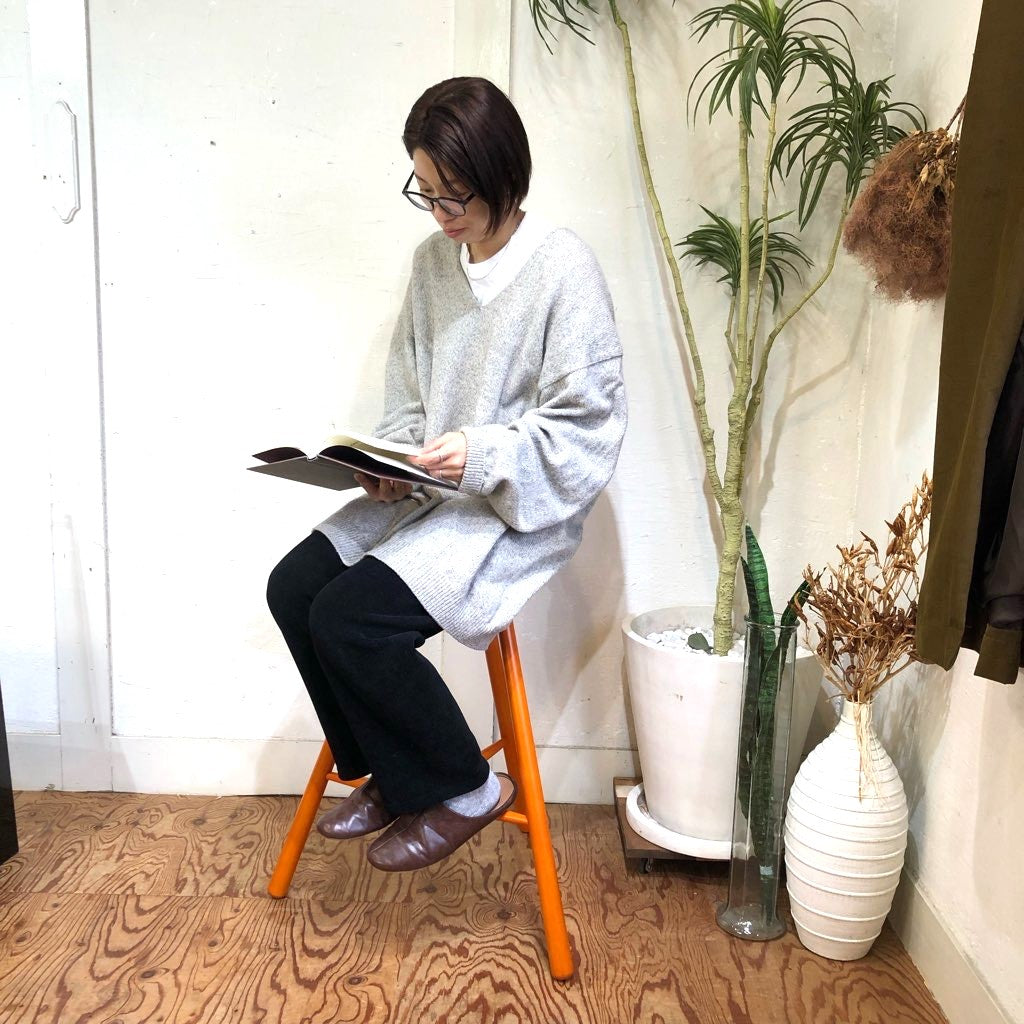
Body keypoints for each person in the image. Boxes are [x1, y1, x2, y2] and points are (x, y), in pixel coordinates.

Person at [266, 77, 627, 873]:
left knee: (351, 618)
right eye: (424, 191)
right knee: (294, 588)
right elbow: (408, 399)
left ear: (503, 173)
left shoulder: (563, 269)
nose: (440, 213)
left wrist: (485, 454)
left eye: (453, 192)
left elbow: (588, 432)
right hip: (427, 494)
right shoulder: (433, 264)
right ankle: (393, 775)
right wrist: (385, 465)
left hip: (510, 508)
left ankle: (466, 786)